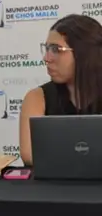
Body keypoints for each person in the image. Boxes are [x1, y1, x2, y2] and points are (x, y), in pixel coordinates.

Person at [19, 14, 102, 166]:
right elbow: (30, 155)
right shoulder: (37, 98)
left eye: (56, 49)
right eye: (47, 48)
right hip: (53, 182)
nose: (46, 58)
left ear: (84, 53)